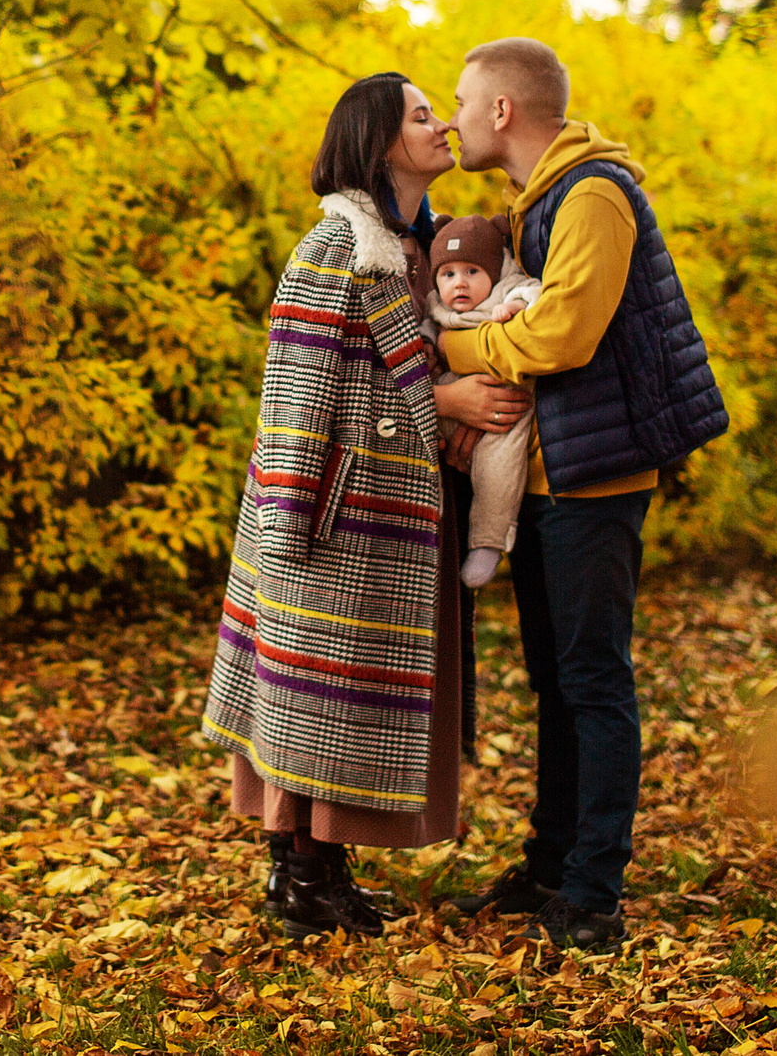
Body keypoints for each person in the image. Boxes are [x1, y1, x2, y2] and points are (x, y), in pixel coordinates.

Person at [200, 70, 530, 940]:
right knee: (315, 697)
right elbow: (299, 394)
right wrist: (443, 406)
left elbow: (400, 361)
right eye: (422, 116)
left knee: (340, 707)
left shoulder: (415, 246)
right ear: (381, 141)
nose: (441, 128)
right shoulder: (334, 248)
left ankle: (320, 873)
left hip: (386, 517)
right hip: (330, 520)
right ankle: (299, 879)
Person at [436, 38, 729, 956]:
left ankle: (594, 892)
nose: (449, 117)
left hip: (598, 479)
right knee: (557, 681)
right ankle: (551, 862)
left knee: (594, 679)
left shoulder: (594, 193)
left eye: (459, 100)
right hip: (548, 478)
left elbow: (560, 334)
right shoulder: (538, 205)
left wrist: (450, 355)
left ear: (502, 112)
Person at [424, 214, 540, 589]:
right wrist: (427, 348)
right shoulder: (436, 304)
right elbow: (425, 329)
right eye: (449, 274)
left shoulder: (506, 290)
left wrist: (516, 306)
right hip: (451, 395)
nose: (460, 282)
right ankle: (430, 519)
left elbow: (535, 291)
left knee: (499, 462)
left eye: (473, 271)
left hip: (502, 401)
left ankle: (488, 541)